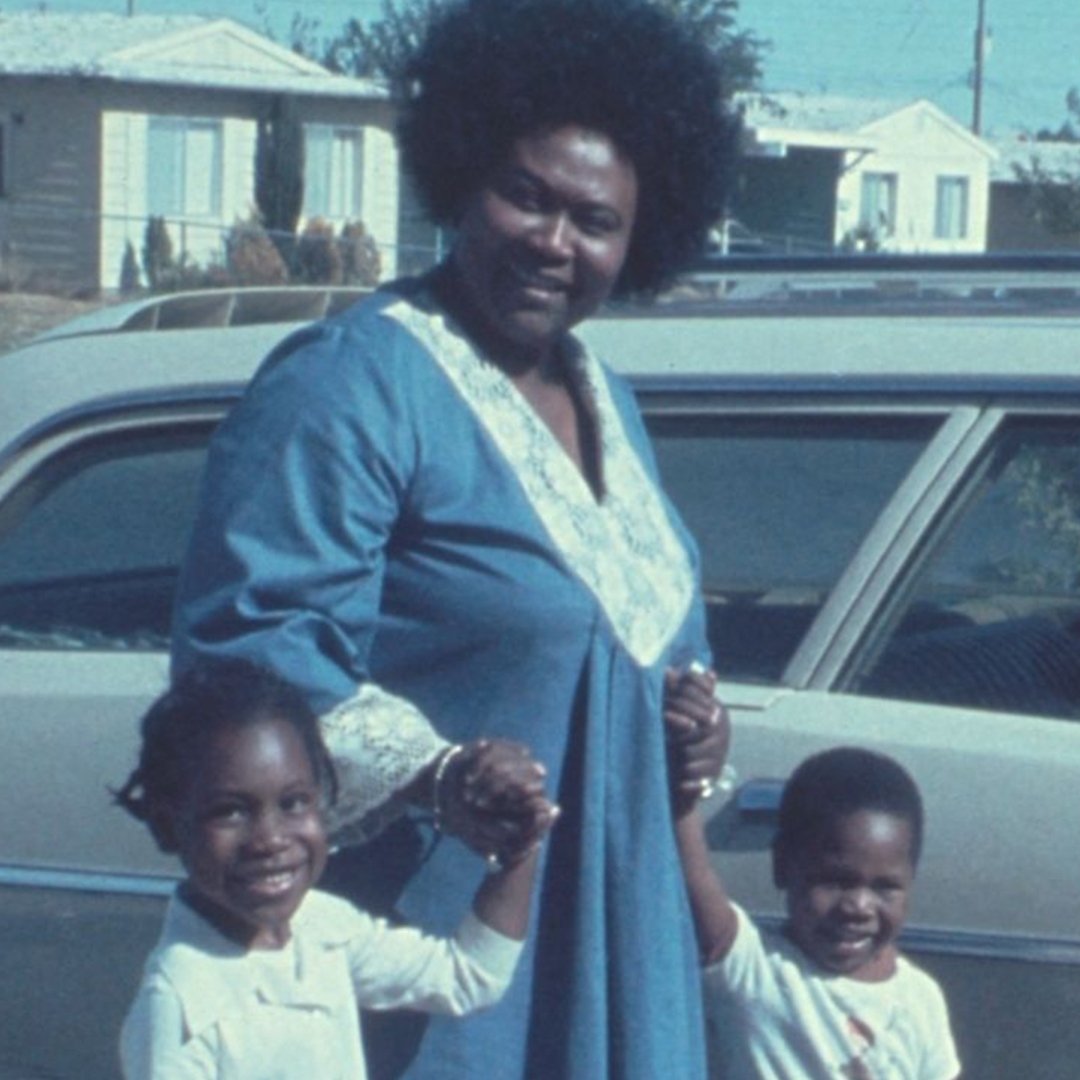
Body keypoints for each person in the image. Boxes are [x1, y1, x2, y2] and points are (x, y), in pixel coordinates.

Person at [171, 0, 737, 1075]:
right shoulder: (353, 381)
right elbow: (247, 666)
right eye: (526, 196)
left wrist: (698, 740)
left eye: (596, 220)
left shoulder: (609, 399)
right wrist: (441, 775)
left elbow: (655, 650)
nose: (554, 243)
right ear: (463, 173)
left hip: (624, 953)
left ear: (643, 237)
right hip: (441, 968)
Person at [115, 660, 557, 1080]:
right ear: (169, 825)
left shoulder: (322, 928)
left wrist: (519, 847)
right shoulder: (182, 1002)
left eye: (294, 803)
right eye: (230, 812)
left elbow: (468, 978)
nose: (269, 838)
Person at [665, 669, 960, 1080]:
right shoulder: (756, 970)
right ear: (783, 866)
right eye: (837, 881)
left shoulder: (920, 999)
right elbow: (691, 873)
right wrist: (684, 782)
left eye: (884, 887)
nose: (858, 906)